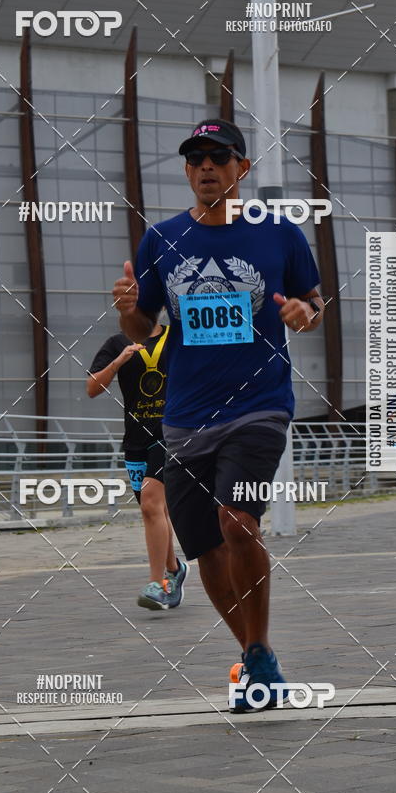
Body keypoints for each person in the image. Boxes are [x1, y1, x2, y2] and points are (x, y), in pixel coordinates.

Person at [112, 118, 323, 712]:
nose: (206, 166)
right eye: (196, 157)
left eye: (219, 156)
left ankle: (256, 652)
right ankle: (259, 658)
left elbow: (313, 298)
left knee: (237, 521)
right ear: (186, 170)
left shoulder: (278, 233)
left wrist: (306, 314)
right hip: (183, 417)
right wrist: (130, 309)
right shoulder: (161, 239)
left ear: (242, 168)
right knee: (205, 546)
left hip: (259, 407)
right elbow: (143, 325)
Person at [87, 319, 189, 609]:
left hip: (171, 434)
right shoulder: (116, 344)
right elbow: (92, 388)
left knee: (150, 504)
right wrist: (118, 361)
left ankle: (156, 583)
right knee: (156, 511)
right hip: (135, 440)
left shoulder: (177, 336)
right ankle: (175, 570)